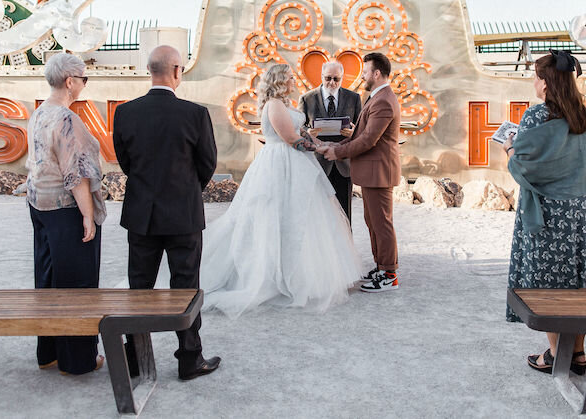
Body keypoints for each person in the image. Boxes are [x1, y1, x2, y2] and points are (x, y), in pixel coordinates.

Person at [200, 63, 360, 316]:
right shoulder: (274, 105)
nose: (294, 80)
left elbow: (303, 132)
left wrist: (318, 141)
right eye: (290, 77)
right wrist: (319, 149)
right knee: (277, 217)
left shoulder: (285, 104)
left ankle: (302, 272)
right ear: (278, 80)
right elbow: (291, 140)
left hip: (296, 165)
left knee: (301, 219)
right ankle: (273, 276)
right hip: (280, 165)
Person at [112, 45, 221, 381]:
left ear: (150, 71)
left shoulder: (126, 113)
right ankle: (190, 358)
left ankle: (134, 358)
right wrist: (185, 190)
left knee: (139, 288)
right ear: (177, 71)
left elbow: (126, 162)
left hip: (142, 213)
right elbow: (207, 164)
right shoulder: (195, 114)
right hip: (183, 215)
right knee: (185, 288)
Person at [504, 50, 586, 376]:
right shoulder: (584, 117)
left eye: (536, 76)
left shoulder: (535, 117)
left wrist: (509, 148)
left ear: (546, 83)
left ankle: (554, 353)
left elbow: (526, 167)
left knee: (548, 282)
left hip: (548, 213)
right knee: (576, 281)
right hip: (582, 213)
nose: (533, 82)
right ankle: (577, 353)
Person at [25, 52, 106, 375]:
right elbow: (76, 173)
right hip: (65, 209)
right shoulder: (67, 119)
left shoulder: (39, 113)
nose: (85, 84)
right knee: (78, 286)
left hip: (39, 205)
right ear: (70, 82)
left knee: (48, 279)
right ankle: (78, 360)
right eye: (84, 79)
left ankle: (48, 352)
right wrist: (88, 214)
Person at [320, 52, 402, 292]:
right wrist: (339, 146)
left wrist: (338, 152)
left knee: (382, 224)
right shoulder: (377, 97)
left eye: (365, 72)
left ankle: (389, 274)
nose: (362, 76)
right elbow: (362, 135)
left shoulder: (384, 100)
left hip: (379, 173)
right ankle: (380, 267)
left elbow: (368, 140)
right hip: (372, 172)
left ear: (376, 73)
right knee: (373, 222)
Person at [300, 60, 363, 226]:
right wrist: (308, 132)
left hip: (344, 163)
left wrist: (354, 132)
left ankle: (346, 248)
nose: (332, 83)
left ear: (342, 78)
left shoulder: (354, 98)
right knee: (318, 212)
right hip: (318, 162)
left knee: (344, 212)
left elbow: (361, 128)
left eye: (336, 79)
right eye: (328, 78)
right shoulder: (307, 99)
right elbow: (299, 128)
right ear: (321, 76)